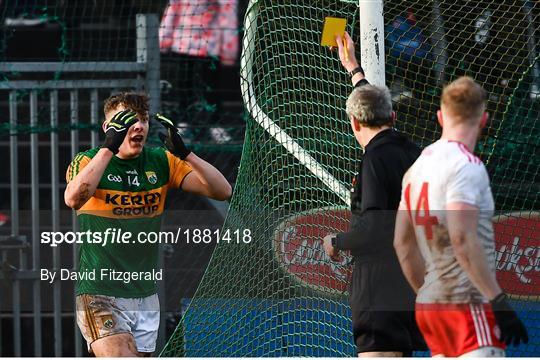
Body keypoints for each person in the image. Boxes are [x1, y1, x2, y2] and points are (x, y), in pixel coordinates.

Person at [64, 92, 232, 357]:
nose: (138, 126)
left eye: (142, 119)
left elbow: (222, 191)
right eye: (127, 120)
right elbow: (74, 198)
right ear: (109, 128)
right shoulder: (88, 161)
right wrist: (109, 147)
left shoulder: (161, 161)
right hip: (100, 291)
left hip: (144, 294)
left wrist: (186, 154)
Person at [393, 77, 529, 357]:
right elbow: (461, 237)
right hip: (466, 302)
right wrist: (498, 300)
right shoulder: (467, 167)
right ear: (484, 120)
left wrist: (428, 291)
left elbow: (402, 245)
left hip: (430, 307)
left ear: (440, 117)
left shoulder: (415, 169)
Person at [322, 32, 427, 357]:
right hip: (411, 274)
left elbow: (376, 229)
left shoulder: (374, 160)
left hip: (378, 282)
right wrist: (353, 67)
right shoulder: (409, 149)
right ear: (392, 117)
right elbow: (371, 105)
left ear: (353, 123)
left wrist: (336, 241)